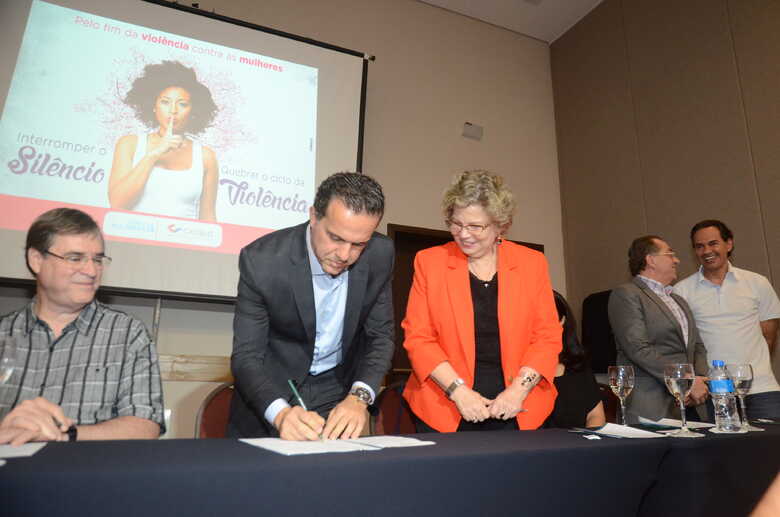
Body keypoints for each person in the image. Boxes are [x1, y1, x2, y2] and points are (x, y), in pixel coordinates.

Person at [228, 172, 394, 441]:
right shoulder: (263, 260)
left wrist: (359, 397)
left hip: (338, 391)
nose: (344, 255)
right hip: (271, 393)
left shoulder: (380, 255)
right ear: (314, 216)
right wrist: (281, 414)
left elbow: (381, 337)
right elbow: (246, 356)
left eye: (358, 244)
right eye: (336, 238)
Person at [402, 170, 561, 433]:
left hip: (518, 406)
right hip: (445, 407)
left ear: (500, 225)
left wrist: (517, 392)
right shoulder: (429, 263)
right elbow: (419, 339)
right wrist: (458, 391)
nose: (463, 234)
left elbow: (547, 337)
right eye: (456, 224)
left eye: (475, 226)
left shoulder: (531, 264)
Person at [0, 208, 165, 445]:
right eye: (75, 258)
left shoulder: (127, 333)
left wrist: (65, 435)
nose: (91, 271)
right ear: (36, 260)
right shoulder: (4, 333)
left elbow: (145, 426)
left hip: (90, 464)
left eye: (97, 259)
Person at [674, 220, 780, 420]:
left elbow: (769, 337)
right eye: (699, 246)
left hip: (761, 388)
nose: (707, 251)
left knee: (772, 440)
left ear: (729, 244)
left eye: (713, 243)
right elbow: (682, 345)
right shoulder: (681, 291)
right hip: (714, 392)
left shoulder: (757, 283)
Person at [608, 235, 708, 424]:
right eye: (670, 254)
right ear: (651, 260)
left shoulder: (678, 300)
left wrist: (699, 381)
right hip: (651, 404)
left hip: (690, 403)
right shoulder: (627, 294)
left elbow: (697, 346)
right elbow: (638, 348)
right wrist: (685, 381)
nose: (676, 260)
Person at [109, 60, 219, 221]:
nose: (173, 110)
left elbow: (208, 217)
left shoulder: (205, 156)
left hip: (184, 237)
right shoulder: (130, 144)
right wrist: (153, 155)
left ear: (193, 110)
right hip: (130, 235)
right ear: (153, 106)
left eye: (182, 104)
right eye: (165, 102)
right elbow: (117, 204)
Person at [544, 291, 605, 429]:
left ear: (562, 321)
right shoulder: (517, 369)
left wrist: (588, 438)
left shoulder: (578, 364)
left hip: (579, 441)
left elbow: (595, 415)